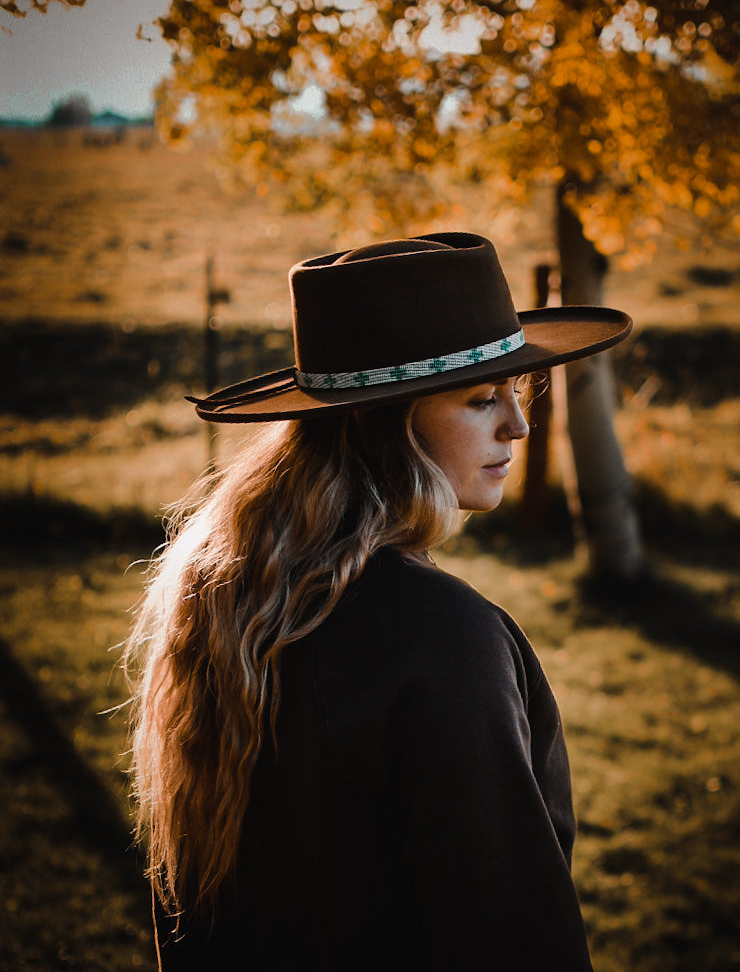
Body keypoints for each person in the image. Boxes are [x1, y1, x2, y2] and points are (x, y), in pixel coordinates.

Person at [125, 232, 632, 970]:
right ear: (386, 421)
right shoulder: (443, 637)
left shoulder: (227, 601)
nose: (517, 427)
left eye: (516, 396)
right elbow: (510, 929)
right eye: (481, 399)